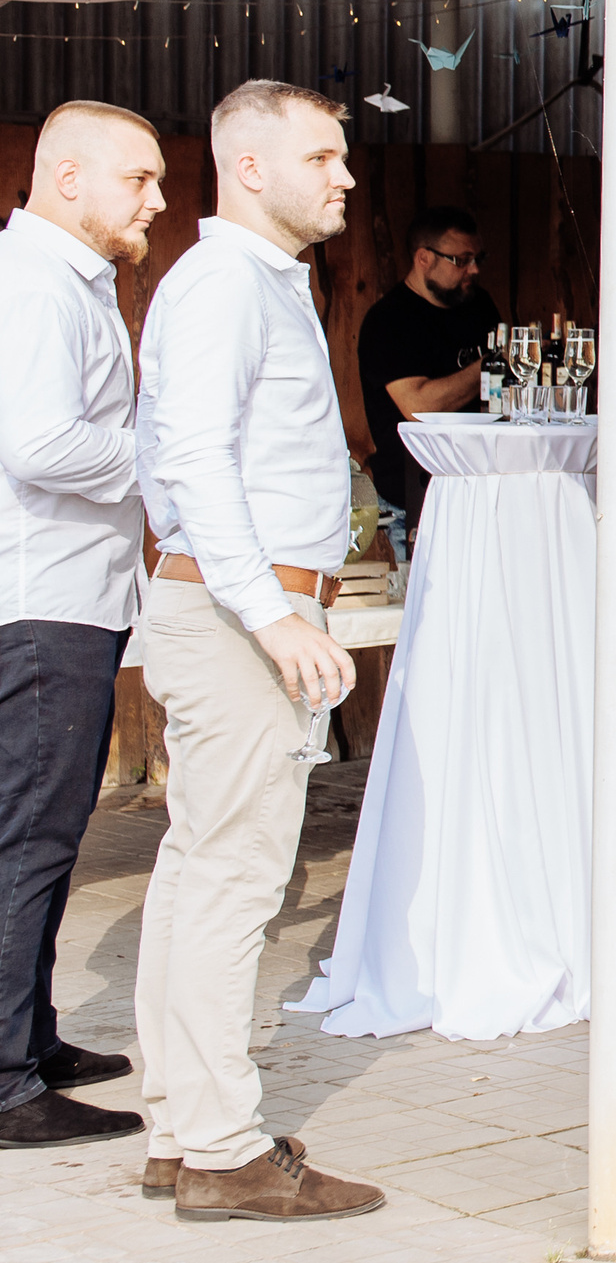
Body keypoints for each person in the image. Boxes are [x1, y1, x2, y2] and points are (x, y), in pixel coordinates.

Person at [132, 80, 385, 1220]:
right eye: (323, 155)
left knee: (200, 876)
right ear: (245, 166)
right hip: (240, 614)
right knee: (232, 880)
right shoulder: (224, 282)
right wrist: (274, 611)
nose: (343, 175)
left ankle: (184, 1128)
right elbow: (190, 457)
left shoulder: (251, 281)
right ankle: (225, 1148)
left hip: (236, 603)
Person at [0, 103, 165, 1149]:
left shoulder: (64, 277)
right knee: (32, 839)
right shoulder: (32, 285)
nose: (155, 199)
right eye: (138, 180)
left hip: (72, 589)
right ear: (67, 179)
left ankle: (32, 1034)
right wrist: (163, 453)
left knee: (44, 839)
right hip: (44, 595)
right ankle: (9, 1083)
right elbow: (38, 444)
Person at [354, 207, 500, 523]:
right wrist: (491, 366)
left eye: (478, 259)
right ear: (424, 258)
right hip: (415, 499)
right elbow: (419, 407)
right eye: (461, 260)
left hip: (481, 488)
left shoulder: (479, 305)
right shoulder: (388, 321)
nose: (473, 270)